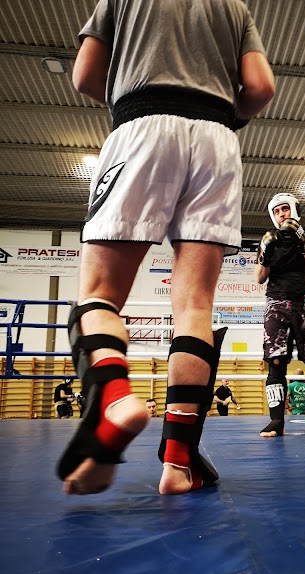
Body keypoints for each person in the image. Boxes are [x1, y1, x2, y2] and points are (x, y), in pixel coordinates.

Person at [55, 0, 275, 496]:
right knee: (195, 306)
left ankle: (114, 400)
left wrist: (132, 99)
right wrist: (223, 115)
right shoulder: (235, 7)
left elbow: (85, 76)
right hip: (218, 141)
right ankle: (177, 465)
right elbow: (261, 87)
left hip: (143, 123)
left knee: (99, 294)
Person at [254, 193, 305, 437]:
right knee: (276, 362)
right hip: (276, 302)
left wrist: (303, 242)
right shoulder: (268, 239)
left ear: (295, 210)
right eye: (276, 211)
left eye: (285, 209)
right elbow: (259, 277)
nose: (281, 214)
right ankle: (277, 420)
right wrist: (265, 251)